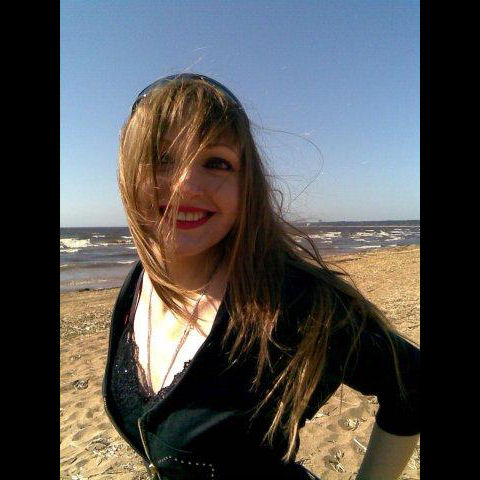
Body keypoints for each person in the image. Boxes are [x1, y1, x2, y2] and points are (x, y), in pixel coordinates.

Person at [103, 73, 420, 480]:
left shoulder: (298, 303)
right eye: (162, 157)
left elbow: (411, 383)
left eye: (215, 162)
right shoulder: (139, 282)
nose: (186, 185)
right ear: (128, 171)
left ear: (246, 185)